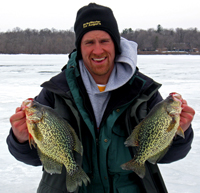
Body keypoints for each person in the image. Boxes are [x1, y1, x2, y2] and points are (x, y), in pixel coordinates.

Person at [7, 3, 195, 193]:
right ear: (80, 47)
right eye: (89, 42)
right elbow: (33, 158)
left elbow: (166, 155)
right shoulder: (55, 91)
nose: (98, 51)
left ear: (116, 44)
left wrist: (182, 131)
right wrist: (20, 138)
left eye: (104, 41)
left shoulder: (144, 91)